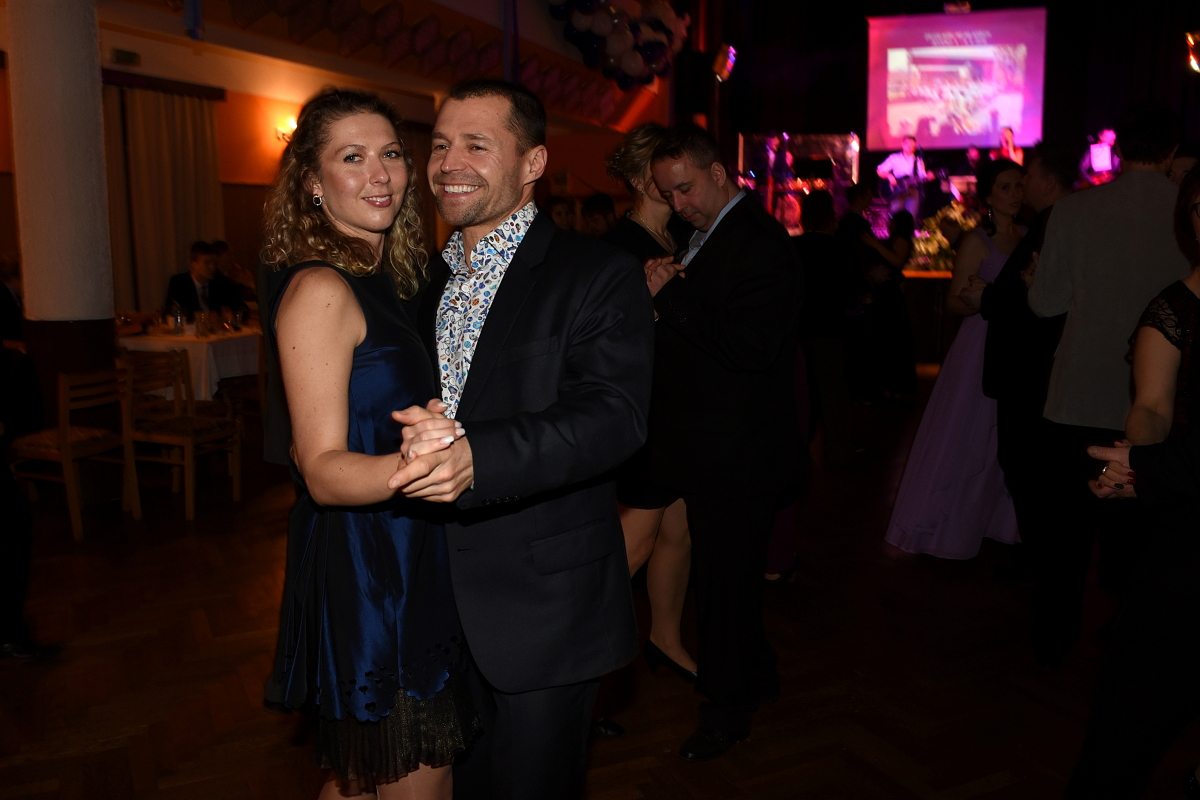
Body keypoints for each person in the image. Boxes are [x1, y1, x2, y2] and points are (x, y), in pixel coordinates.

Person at [385, 79, 655, 800]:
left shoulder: (595, 273)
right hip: (432, 601)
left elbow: (614, 417)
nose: (449, 163)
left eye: (477, 145)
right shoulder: (423, 279)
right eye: (441, 145)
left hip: (543, 606)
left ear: (533, 163)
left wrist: (479, 457)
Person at [259, 87, 474, 799]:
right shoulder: (323, 288)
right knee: (416, 771)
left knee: (364, 781)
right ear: (312, 183)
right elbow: (320, 469)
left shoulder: (388, 278)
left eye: (390, 154)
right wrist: (415, 465)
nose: (380, 174)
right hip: (375, 563)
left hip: (407, 541)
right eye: (352, 158)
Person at [648, 123, 802, 761]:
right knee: (728, 581)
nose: (678, 204)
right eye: (668, 194)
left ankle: (725, 712)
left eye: (685, 189)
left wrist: (671, 297)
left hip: (742, 452)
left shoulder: (759, 242)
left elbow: (749, 347)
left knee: (723, 588)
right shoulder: (709, 232)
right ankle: (756, 677)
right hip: (717, 445)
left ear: (718, 172)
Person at [1028, 105, 1188, 659]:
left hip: (1078, 391)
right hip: (1160, 395)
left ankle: (1054, 639)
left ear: (1117, 152)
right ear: (1171, 153)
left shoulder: (1074, 210)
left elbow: (1045, 302)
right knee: (1138, 535)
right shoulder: (1185, 214)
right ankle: (1128, 639)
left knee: (1064, 533)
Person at [1064, 167, 1200, 798]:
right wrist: (1137, 459)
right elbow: (1150, 407)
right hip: (1189, 513)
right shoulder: (1173, 309)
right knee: (1138, 702)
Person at [883, 157, 1025, 560]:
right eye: (1005, 187)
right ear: (989, 196)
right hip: (981, 344)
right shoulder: (978, 241)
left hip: (1016, 345)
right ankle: (951, 523)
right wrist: (985, 300)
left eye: (1018, 186)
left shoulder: (1029, 236)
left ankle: (1000, 521)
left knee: (1006, 436)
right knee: (969, 431)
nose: (1014, 194)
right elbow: (954, 302)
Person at [603, 122, 697, 681]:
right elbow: (604, 339)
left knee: (679, 531)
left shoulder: (686, 237)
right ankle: (579, 666)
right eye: (660, 170)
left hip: (681, 406)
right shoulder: (618, 249)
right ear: (640, 178)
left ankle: (665, 638)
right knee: (634, 542)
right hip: (646, 409)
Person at [976, 143, 1075, 663]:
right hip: (1028, 370)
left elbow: (1028, 300)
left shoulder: (1054, 225)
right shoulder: (1049, 224)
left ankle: (1042, 566)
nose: (1023, 186)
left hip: (1029, 370)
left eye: (1027, 177)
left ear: (1046, 180)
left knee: (1025, 465)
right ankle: (1036, 558)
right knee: (1022, 465)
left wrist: (991, 297)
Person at [162, 240, 247, 321]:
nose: (212, 267)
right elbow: (171, 313)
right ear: (193, 264)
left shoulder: (222, 282)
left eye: (214, 263)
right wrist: (204, 317)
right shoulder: (179, 283)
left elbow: (243, 310)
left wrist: (232, 315)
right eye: (207, 263)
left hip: (218, 330)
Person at [876, 134, 933, 220]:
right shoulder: (894, 158)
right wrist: (889, 176)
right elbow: (879, 171)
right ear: (903, 144)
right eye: (908, 144)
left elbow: (922, 176)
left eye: (912, 145)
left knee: (911, 217)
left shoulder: (918, 160)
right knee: (896, 215)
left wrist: (928, 176)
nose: (910, 147)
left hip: (913, 191)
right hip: (897, 191)